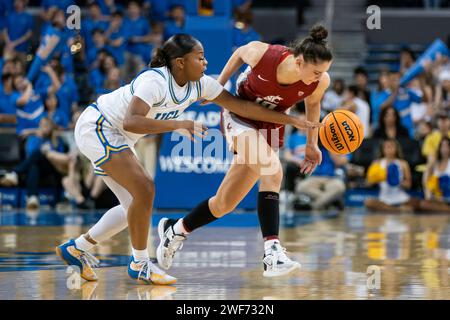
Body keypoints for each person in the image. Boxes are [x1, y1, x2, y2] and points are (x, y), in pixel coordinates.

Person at [55, 34, 322, 285]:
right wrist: (178, 124)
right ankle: (140, 263)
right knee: (145, 190)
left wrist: (292, 120)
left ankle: (77, 248)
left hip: (120, 137)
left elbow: (243, 107)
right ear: (180, 63)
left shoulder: (201, 85)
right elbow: (131, 121)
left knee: (132, 208)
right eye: (200, 57)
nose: (206, 62)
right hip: (99, 126)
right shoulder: (155, 80)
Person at [156, 25, 332, 277]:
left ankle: (176, 230)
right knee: (273, 170)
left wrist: (312, 144)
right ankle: (272, 252)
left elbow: (313, 105)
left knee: (224, 203)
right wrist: (219, 84)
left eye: (323, 72)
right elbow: (239, 52)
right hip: (239, 114)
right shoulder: (264, 54)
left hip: (271, 122)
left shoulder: (319, 81)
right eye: (316, 71)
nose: (320, 77)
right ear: (299, 61)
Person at [365, 139, 420, 212]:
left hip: (401, 197)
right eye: (387, 147)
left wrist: (397, 181)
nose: (389, 149)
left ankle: (391, 210)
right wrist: (379, 178)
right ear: (383, 149)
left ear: (396, 149)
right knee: (368, 203)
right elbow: (368, 183)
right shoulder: (376, 163)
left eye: (391, 146)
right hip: (384, 199)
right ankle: (397, 210)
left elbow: (408, 185)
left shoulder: (403, 163)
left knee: (416, 203)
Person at [421, 137, 450, 213]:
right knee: (423, 204)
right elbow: (426, 183)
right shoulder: (435, 164)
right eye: (442, 146)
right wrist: (430, 165)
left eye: (447, 146)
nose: (445, 149)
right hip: (437, 198)